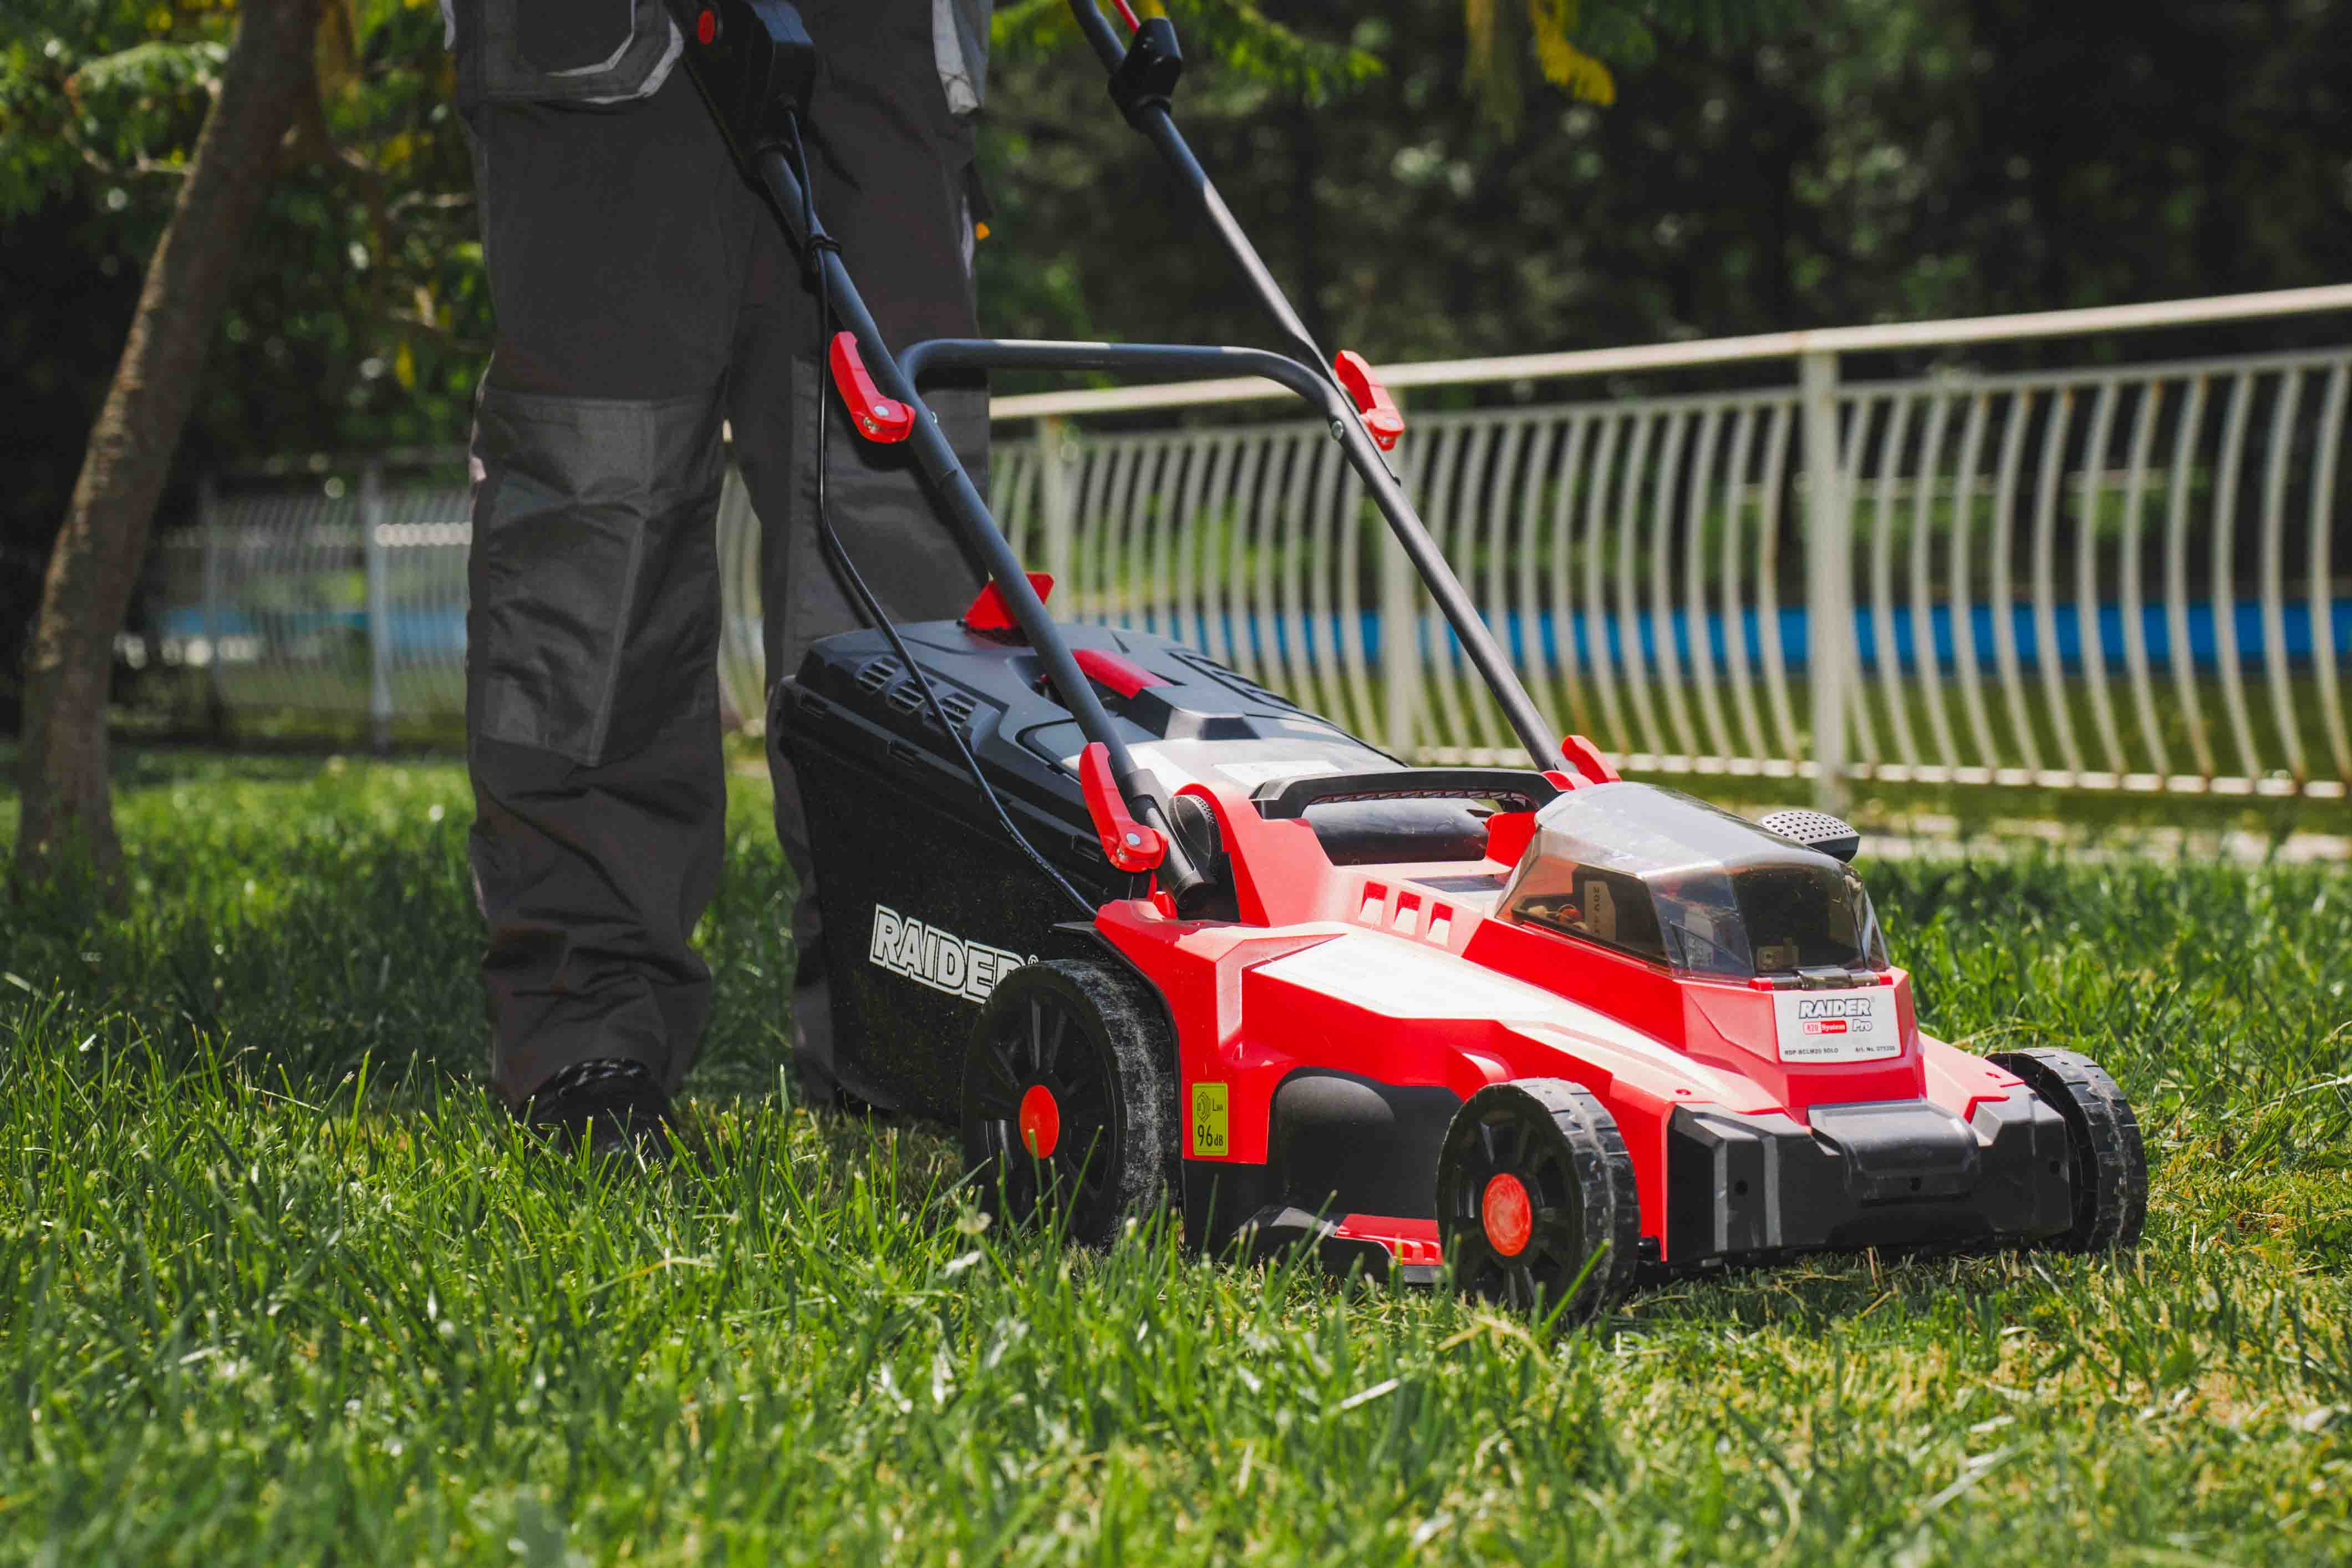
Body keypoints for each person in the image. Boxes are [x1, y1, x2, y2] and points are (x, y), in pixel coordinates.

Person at [444, 0, 995, 1151]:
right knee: (595, 531)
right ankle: (586, 1026)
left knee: (894, 535)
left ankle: (906, 1031)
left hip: (878, 46)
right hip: (597, 47)